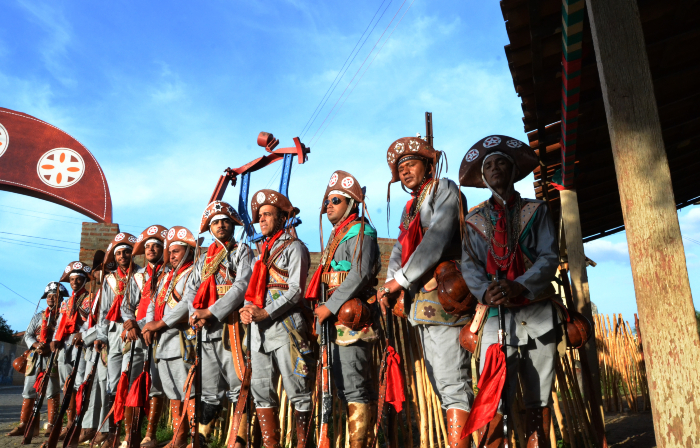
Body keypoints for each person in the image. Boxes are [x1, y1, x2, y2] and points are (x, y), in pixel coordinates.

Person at [459, 135, 559, 447]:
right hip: (494, 319)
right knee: (493, 397)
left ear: (514, 170)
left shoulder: (537, 210)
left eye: (501, 162)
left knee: (538, 399)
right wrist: (484, 292)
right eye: (488, 165)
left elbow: (549, 256)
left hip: (537, 313)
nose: (494, 168)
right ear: (483, 177)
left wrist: (520, 284)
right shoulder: (473, 221)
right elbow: (469, 264)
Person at [376, 136, 473, 448]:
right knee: (441, 384)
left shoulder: (444, 188)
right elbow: (399, 249)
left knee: (453, 382)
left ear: (428, 164)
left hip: (446, 297)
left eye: (411, 164)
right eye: (400, 168)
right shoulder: (410, 206)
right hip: (421, 304)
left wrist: (400, 280)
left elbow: (438, 237)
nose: (405, 171)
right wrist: (392, 283)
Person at [306, 171, 381, 448]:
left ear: (351, 204)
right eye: (327, 201)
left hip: (351, 320)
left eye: (335, 200)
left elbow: (360, 273)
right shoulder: (337, 236)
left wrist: (330, 307)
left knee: (355, 387)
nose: (328, 205)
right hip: (334, 319)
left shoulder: (360, 231)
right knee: (343, 386)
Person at [240, 189, 312, 448]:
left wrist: (266, 312)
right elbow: (251, 290)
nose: (262, 220)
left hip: (287, 329)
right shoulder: (261, 253)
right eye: (260, 216)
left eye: (268, 215)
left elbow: (296, 290)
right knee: (261, 394)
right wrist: (247, 308)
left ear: (282, 218)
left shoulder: (295, 248)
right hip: (259, 333)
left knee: (298, 391)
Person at [183, 201, 253, 448]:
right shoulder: (203, 258)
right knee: (210, 386)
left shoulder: (241, 250)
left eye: (225, 221)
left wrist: (210, 312)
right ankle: (202, 436)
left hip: (230, 325)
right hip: (205, 326)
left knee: (237, 384)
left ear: (232, 224)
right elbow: (191, 289)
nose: (221, 225)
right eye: (215, 222)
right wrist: (196, 314)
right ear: (209, 228)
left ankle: (240, 439)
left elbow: (242, 285)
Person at [141, 226, 197, 448]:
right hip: (162, 341)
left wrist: (160, 323)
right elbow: (154, 302)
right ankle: (178, 436)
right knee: (172, 390)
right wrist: (148, 325)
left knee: (187, 389)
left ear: (187, 252)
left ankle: (192, 438)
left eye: (177, 251)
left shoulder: (192, 271)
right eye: (170, 252)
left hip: (181, 339)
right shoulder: (166, 277)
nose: (172, 256)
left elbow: (185, 304)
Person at [121, 225, 168, 448]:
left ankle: (151, 435)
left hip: (160, 331)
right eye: (147, 247)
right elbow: (126, 306)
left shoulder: (170, 273)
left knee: (156, 381)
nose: (150, 250)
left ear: (163, 249)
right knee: (133, 380)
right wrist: (130, 324)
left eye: (156, 246)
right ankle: (131, 434)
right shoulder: (138, 276)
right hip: (137, 335)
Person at [95, 233, 140, 447]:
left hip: (134, 330)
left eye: (126, 251)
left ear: (133, 253)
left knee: (129, 379)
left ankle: (130, 434)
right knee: (112, 383)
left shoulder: (141, 275)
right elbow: (103, 310)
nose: (122, 256)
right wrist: (101, 336)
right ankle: (113, 432)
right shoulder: (110, 279)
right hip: (113, 332)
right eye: (119, 252)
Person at [6, 282, 67, 437]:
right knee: (29, 390)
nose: (51, 298)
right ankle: (24, 425)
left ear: (60, 298)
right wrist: (36, 344)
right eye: (48, 296)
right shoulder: (38, 317)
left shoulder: (64, 316)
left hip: (52, 357)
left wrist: (49, 346)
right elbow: (28, 335)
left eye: (55, 295)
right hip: (35, 357)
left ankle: (51, 426)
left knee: (52, 391)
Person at [52, 261, 95, 441]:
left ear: (84, 280)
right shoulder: (66, 302)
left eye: (79, 279)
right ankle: (68, 421)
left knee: (79, 384)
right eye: (72, 279)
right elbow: (60, 323)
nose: (75, 282)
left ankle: (79, 423)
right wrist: (55, 339)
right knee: (66, 385)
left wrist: (83, 333)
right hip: (65, 345)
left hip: (81, 344)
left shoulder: (90, 298)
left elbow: (91, 321)